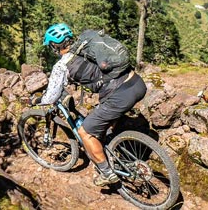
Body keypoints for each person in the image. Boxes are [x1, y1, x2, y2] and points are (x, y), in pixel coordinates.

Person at [34, 23, 147, 187]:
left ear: (53, 46)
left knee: (85, 132)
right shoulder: (87, 46)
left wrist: (37, 100)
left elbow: (51, 97)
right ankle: (115, 150)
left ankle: (107, 173)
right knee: (104, 119)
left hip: (120, 95)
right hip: (137, 83)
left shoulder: (61, 65)